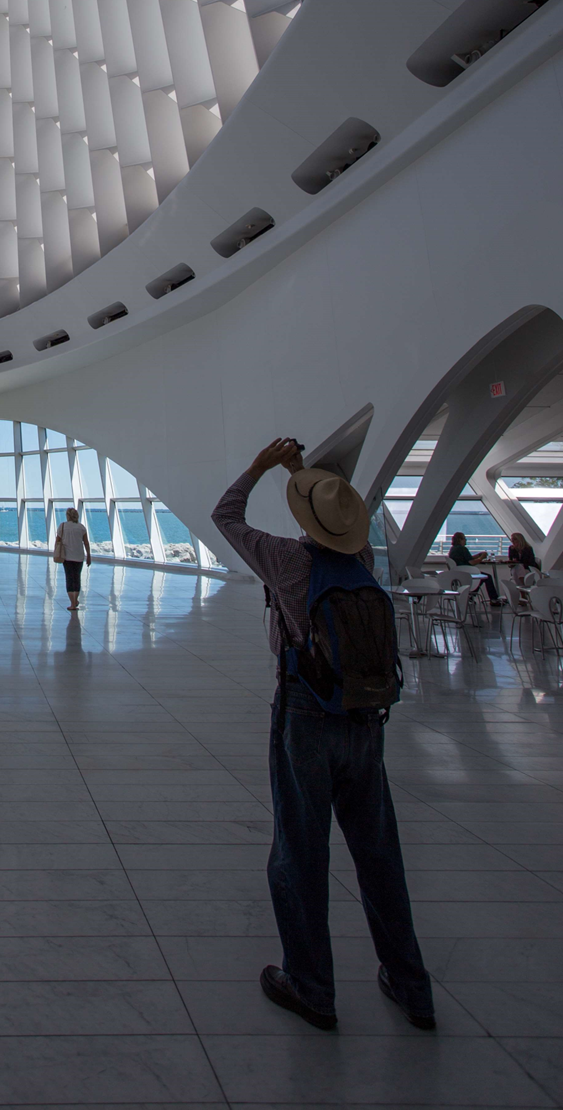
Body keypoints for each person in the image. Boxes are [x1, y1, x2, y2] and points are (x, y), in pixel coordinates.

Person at [212, 437, 435, 1034]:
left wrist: (263, 467)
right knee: (379, 854)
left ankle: (311, 985)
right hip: (366, 721)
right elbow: (341, 521)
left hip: (306, 716)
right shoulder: (362, 562)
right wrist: (303, 473)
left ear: (304, 520)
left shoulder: (288, 561)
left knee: (300, 850)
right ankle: (412, 986)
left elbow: (225, 516)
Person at [55, 506, 91, 611]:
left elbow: (57, 541)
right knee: (77, 578)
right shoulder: (81, 527)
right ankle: (76, 600)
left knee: (69, 578)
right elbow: (86, 543)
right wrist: (89, 555)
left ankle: (72, 602)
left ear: (68, 516)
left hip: (67, 556)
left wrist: (55, 553)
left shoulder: (62, 526)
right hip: (79, 556)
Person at [447, 530, 499, 604]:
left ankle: (470, 595)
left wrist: (478, 555)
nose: (466, 540)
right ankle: (494, 599)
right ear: (460, 540)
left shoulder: (453, 549)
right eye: (464, 538)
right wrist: (481, 558)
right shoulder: (463, 549)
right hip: (467, 572)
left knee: (481, 578)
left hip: (459, 572)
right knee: (487, 577)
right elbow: (472, 563)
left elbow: (467, 559)